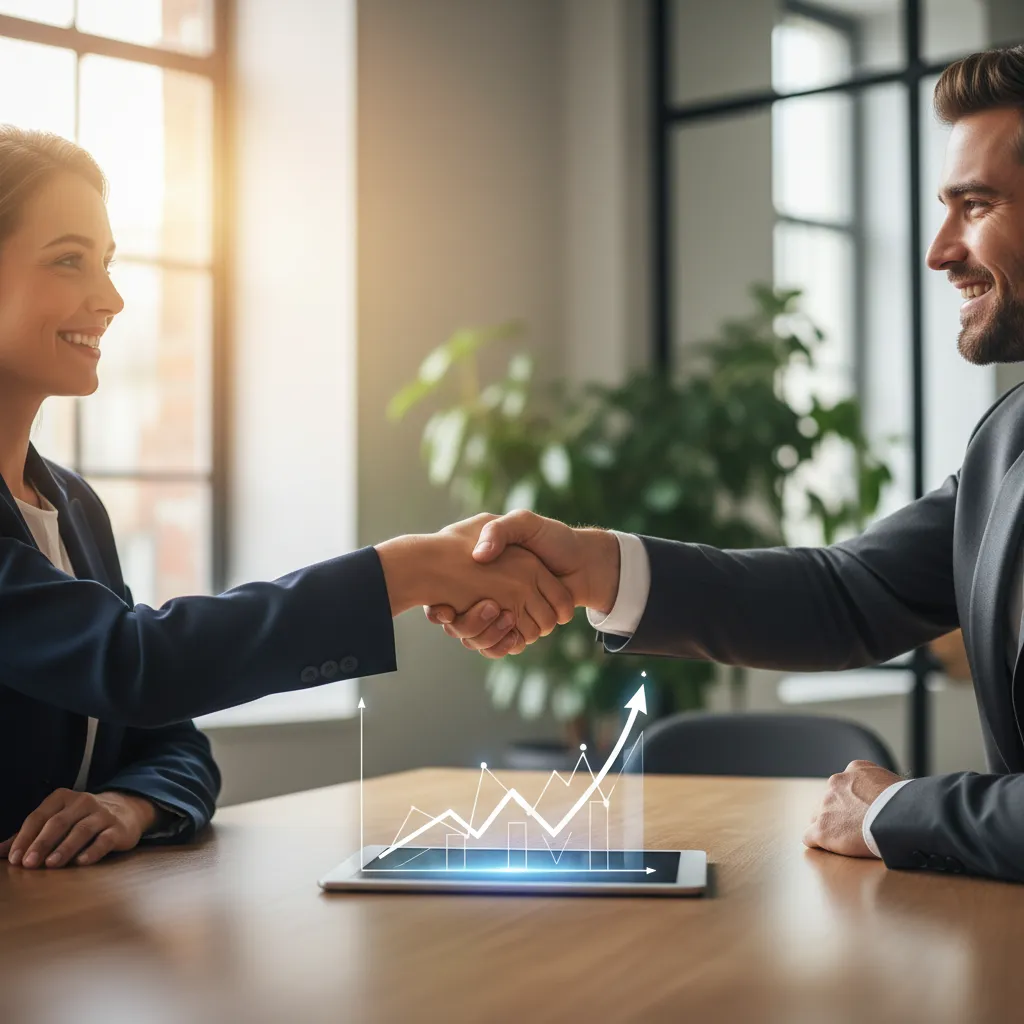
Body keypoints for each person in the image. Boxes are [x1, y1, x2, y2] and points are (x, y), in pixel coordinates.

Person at [429, 45, 1024, 885]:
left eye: (975, 206)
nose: (938, 250)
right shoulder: (1008, 443)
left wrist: (893, 812)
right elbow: (846, 594)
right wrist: (597, 563)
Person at [0, 126, 574, 871]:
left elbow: (172, 739)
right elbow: (135, 665)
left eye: (107, 263)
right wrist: (408, 571)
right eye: (69, 260)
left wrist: (127, 805)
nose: (110, 298)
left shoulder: (72, 505)